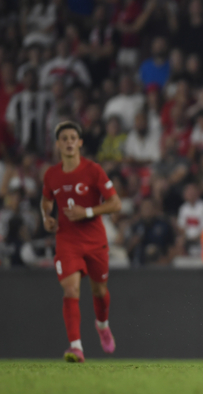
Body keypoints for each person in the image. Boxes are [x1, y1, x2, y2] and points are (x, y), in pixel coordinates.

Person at [40, 121, 122, 363]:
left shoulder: (93, 170)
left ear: (80, 142)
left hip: (95, 240)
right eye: (63, 138)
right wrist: (47, 216)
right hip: (67, 240)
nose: (68, 142)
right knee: (71, 289)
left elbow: (115, 203)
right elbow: (46, 200)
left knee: (100, 291)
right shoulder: (51, 174)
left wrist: (86, 212)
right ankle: (76, 347)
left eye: (72, 138)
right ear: (58, 144)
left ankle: (102, 325)